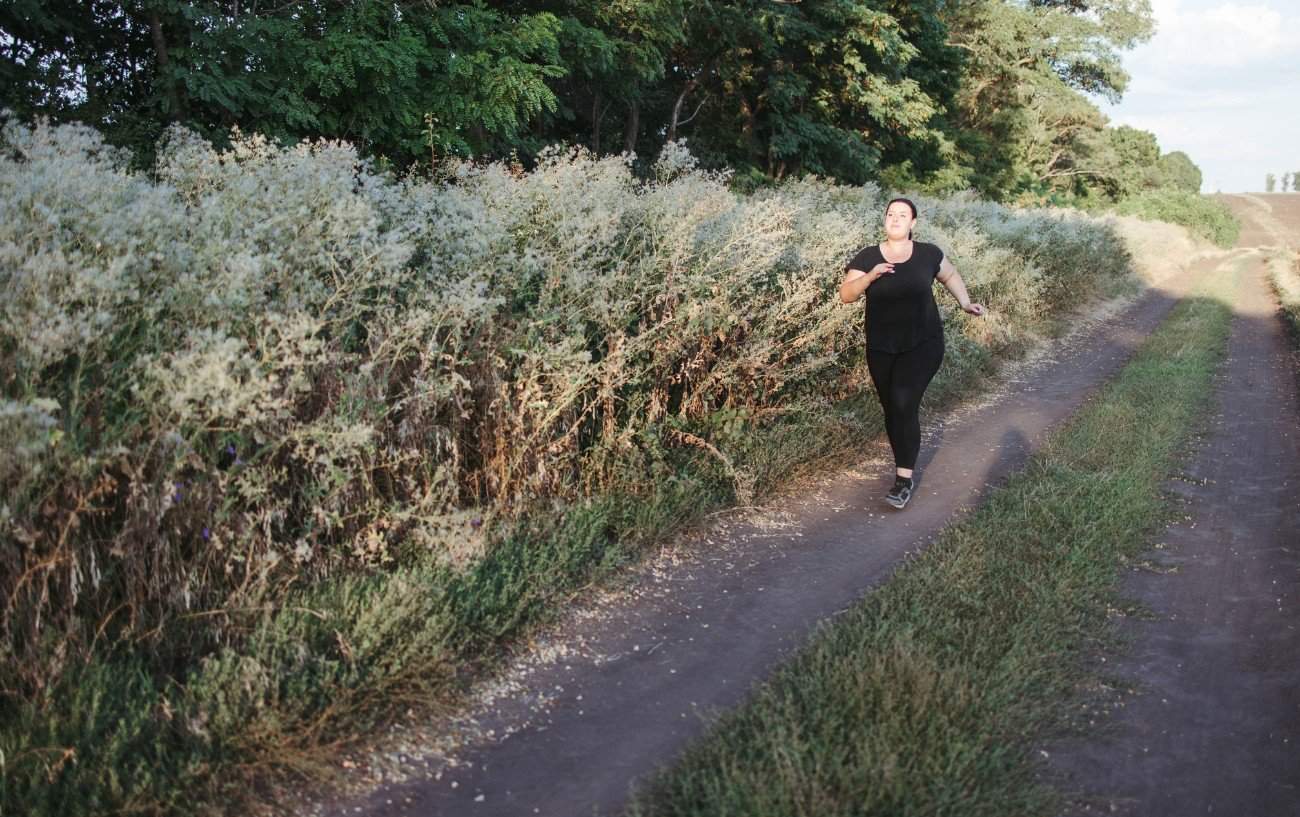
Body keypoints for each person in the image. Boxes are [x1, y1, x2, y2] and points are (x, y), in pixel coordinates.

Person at [838, 197, 985, 509]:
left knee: (904, 403)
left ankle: (903, 480)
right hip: (881, 347)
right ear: (885, 219)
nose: (895, 219)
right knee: (893, 409)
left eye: (902, 215)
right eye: (890, 214)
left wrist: (964, 302)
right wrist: (871, 276)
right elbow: (846, 295)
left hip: (923, 344)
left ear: (913, 223)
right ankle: (903, 464)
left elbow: (951, 275)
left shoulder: (928, 253)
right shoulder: (867, 257)